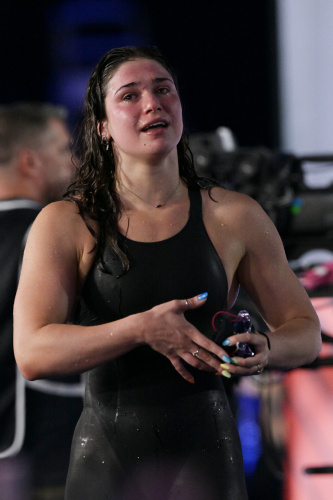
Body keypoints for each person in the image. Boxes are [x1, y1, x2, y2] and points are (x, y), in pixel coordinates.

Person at [13, 47, 321, 500]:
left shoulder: (235, 217)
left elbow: (306, 332)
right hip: (107, 463)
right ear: (101, 127)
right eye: (129, 96)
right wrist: (140, 329)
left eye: (163, 90)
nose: (152, 103)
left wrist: (267, 348)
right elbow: (33, 353)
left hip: (208, 459)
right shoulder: (67, 222)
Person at [0, 102, 82, 500]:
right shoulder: (48, 231)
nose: (76, 162)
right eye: (64, 149)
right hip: (45, 459)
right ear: (30, 162)